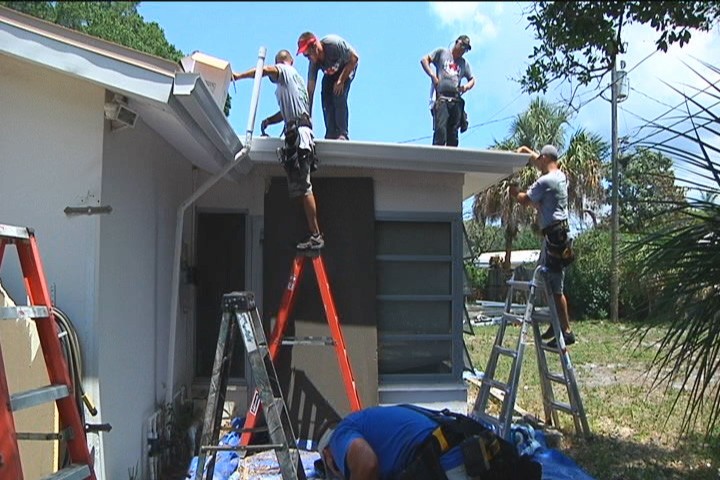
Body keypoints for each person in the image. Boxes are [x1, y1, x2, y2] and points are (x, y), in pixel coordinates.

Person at [233, 50, 324, 250]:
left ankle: (316, 235)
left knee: (304, 187)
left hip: (299, 138)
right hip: (302, 134)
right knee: (300, 188)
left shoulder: (286, 71)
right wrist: (269, 121)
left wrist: (239, 76)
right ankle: (311, 233)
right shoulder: (295, 83)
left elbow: (264, 70)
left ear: (284, 62)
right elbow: (286, 113)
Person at [315, 405, 541, 480]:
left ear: (327, 454)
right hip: (464, 450)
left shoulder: (340, 436)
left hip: (446, 463)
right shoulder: (368, 420)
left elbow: (367, 465)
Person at [510, 145, 575, 347]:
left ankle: (566, 331)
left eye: (540, 158)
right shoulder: (560, 176)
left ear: (545, 157)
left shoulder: (545, 181)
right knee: (548, 283)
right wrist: (525, 150)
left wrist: (513, 184)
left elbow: (523, 199)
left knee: (555, 288)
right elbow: (539, 160)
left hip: (555, 237)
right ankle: (555, 324)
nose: (537, 161)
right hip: (558, 235)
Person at [296, 31, 359, 140]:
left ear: (315, 46)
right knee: (326, 96)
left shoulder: (332, 44)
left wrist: (341, 80)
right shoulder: (313, 64)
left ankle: (342, 133)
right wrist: (308, 116)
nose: (307, 58)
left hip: (347, 68)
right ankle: (331, 133)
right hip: (331, 73)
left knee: (338, 94)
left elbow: (354, 58)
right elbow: (310, 91)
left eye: (307, 55)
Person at [421, 35, 476, 147]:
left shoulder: (463, 63)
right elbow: (424, 60)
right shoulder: (442, 53)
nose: (462, 50)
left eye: (465, 49)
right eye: (462, 46)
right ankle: (437, 158)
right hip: (442, 98)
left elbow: (472, 79)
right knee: (440, 130)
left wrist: (465, 87)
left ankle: (451, 160)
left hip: (455, 99)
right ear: (456, 42)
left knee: (453, 134)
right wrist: (432, 75)